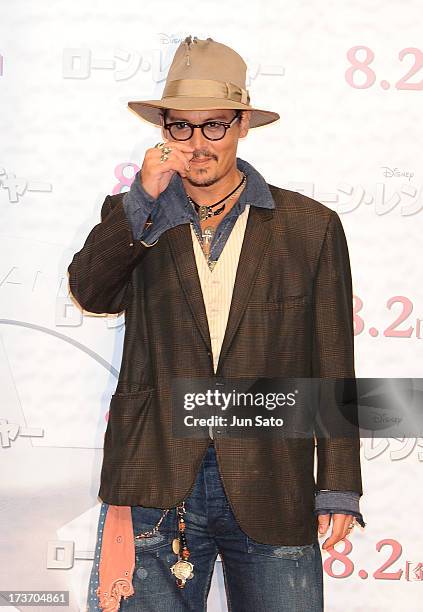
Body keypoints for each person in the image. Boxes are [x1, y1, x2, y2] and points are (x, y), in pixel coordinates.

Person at [68, 36, 365, 612]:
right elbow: (90, 291)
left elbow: (333, 361)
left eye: (214, 126)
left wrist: (338, 484)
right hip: (152, 476)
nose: (197, 143)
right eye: (181, 127)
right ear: (164, 130)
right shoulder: (138, 216)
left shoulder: (309, 227)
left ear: (242, 125)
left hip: (274, 479)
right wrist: (142, 203)